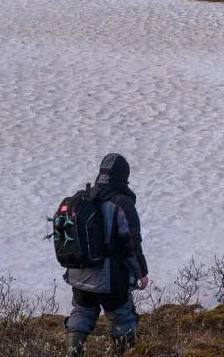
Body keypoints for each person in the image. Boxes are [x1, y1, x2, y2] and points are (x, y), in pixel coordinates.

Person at [64, 153, 150, 357]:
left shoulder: (82, 198)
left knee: (81, 313)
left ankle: (71, 354)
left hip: (79, 272)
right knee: (122, 319)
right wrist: (142, 272)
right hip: (110, 277)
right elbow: (130, 243)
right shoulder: (121, 203)